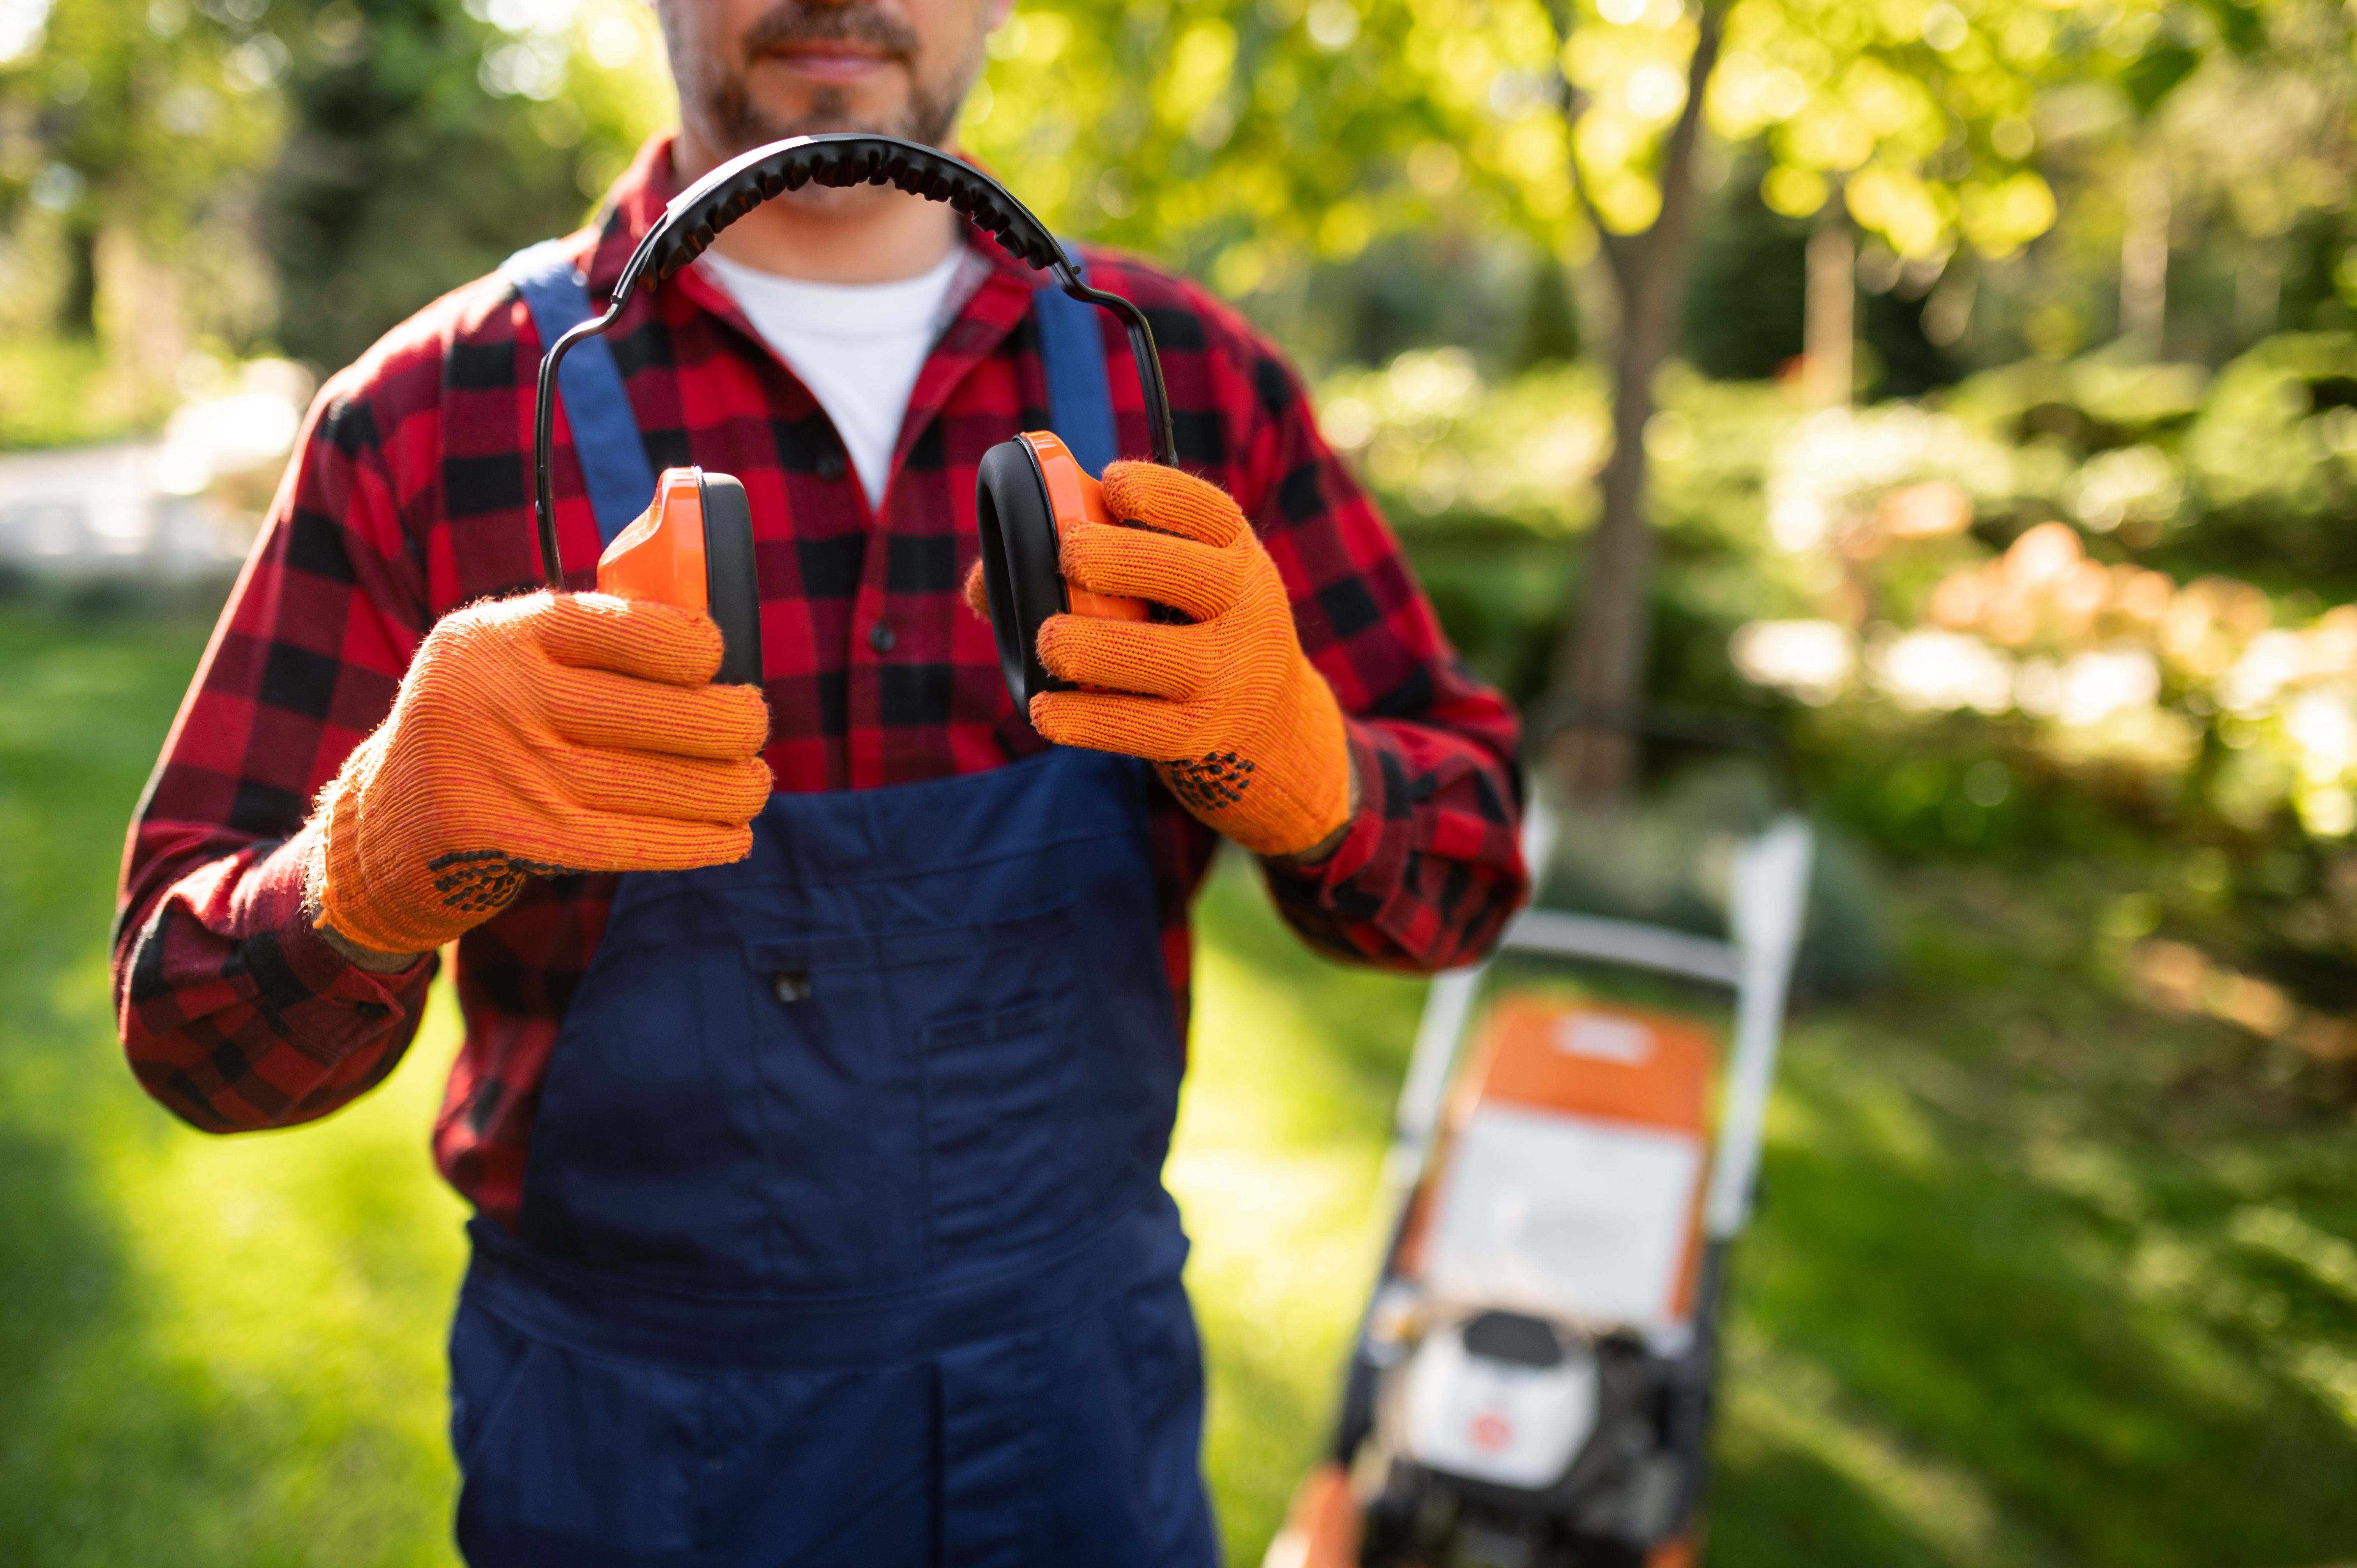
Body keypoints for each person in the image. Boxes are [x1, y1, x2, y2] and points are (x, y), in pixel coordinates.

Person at [112, 0, 1526, 1559]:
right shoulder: (431, 417)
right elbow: (196, 1030)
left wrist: (1321, 768)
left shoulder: (1189, 384)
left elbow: (1461, 868)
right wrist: (365, 866)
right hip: (628, 1454)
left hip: (1082, 1429)